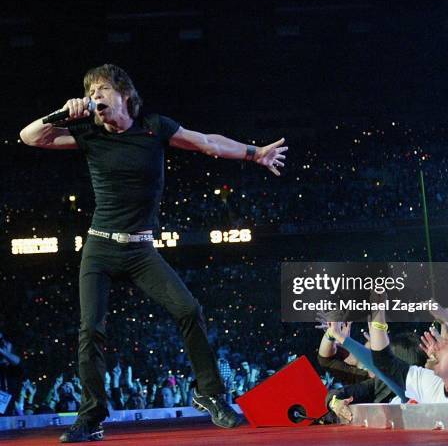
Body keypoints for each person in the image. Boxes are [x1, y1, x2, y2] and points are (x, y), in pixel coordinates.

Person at [19, 63, 288, 442]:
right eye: (90, 92)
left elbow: (207, 142)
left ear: (125, 94)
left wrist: (253, 152)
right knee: (90, 330)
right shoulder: (88, 132)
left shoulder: (154, 127)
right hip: (99, 247)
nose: (95, 97)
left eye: (101, 90)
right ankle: (92, 417)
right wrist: (60, 115)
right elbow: (30, 137)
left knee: (188, 310)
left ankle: (210, 395)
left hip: (142, 250)